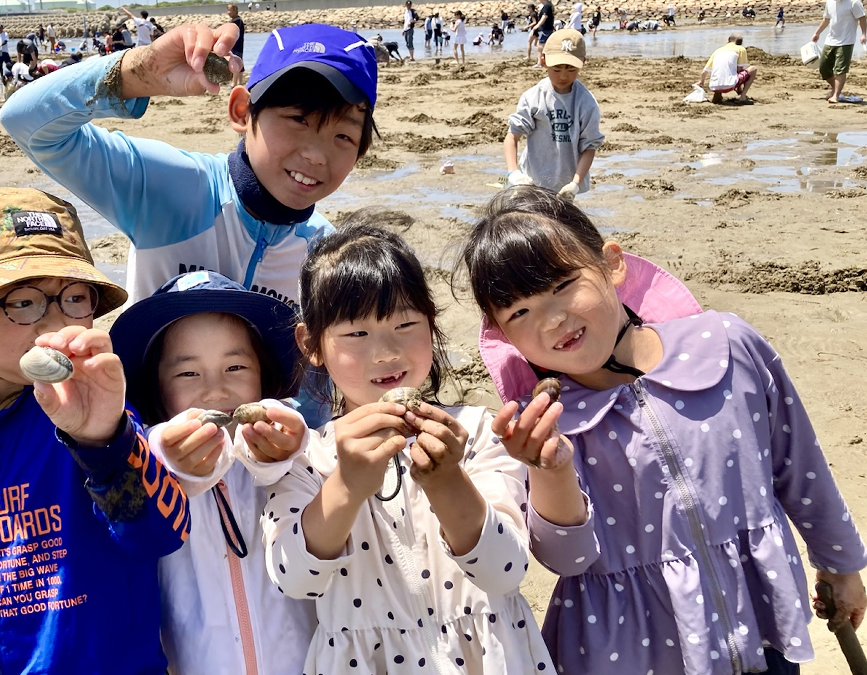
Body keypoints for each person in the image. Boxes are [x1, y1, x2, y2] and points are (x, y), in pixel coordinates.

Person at [459, 185, 867, 675]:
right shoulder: (542, 423)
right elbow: (567, 560)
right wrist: (551, 470)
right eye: (520, 312)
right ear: (502, 334)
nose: (553, 320)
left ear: (611, 264)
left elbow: (799, 465)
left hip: (760, 625)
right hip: (631, 653)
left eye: (563, 284)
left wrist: (840, 563)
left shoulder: (726, 344)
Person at [0, 187, 190, 674]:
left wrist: (102, 440)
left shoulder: (94, 418)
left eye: (75, 297)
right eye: (23, 302)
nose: (57, 321)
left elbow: (159, 533)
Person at [263, 221, 557, 672]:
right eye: (356, 334)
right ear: (311, 343)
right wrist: (346, 486)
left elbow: (504, 570)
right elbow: (295, 579)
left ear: (431, 323)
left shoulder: (477, 432)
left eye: (405, 324)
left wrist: (448, 481)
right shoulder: (304, 458)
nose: (386, 352)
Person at [0, 23, 378, 311]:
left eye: (343, 136)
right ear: (242, 111)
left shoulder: (327, 254)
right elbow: (26, 122)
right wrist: (140, 71)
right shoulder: (170, 187)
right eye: (298, 119)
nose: (316, 155)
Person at [110, 270, 315, 675]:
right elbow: (152, 452)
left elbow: (279, 460)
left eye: (235, 367)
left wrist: (284, 450)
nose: (215, 390)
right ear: (155, 386)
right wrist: (169, 458)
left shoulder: (290, 450)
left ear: (264, 372)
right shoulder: (148, 461)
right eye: (188, 373)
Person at [505, 29, 603, 201]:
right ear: (544, 61)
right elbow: (512, 136)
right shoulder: (533, 97)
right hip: (531, 182)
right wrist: (513, 173)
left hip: (566, 186)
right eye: (556, 69)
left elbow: (589, 147)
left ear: (582, 62)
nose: (563, 76)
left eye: (571, 69)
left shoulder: (587, 103)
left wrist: (575, 184)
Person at [811, 0, 867, 104]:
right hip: (830, 40)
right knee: (824, 68)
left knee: (840, 69)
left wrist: (864, 34)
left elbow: (862, 18)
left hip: (846, 42)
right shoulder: (830, 3)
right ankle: (835, 89)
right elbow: (826, 19)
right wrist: (817, 33)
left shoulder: (854, 2)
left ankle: (836, 95)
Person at [697, 34, 758, 104]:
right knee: (753, 69)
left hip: (713, 87)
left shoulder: (717, 51)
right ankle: (743, 97)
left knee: (722, 70)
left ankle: (717, 94)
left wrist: (701, 82)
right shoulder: (740, 49)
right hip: (729, 85)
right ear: (741, 43)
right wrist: (739, 88)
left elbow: (704, 72)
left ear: (728, 41)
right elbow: (739, 70)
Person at [227, 3, 246, 85]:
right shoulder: (238, 20)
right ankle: (239, 83)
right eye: (228, 10)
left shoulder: (237, 21)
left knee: (235, 63)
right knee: (239, 62)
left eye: (230, 10)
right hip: (238, 45)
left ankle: (234, 83)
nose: (228, 12)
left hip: (236, 45)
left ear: (235, 10)